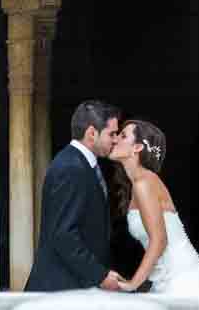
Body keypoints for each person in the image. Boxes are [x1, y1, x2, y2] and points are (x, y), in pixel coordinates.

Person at [109, 119, 199, 296]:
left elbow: (159, 240)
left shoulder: (144, 183)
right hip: (167, 283)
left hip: (186, 283)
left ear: (137, 148)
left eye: (123, 136)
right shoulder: (140, 183)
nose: (115, 139)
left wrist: (133, 283)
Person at [25, 100, 125, 292]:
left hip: (76, 285)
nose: (115, 140)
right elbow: (63, 234)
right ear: (91, 133)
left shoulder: (81, 164)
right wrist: (100, 275)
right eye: (111, 134)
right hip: (61, 288)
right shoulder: (71, 167)